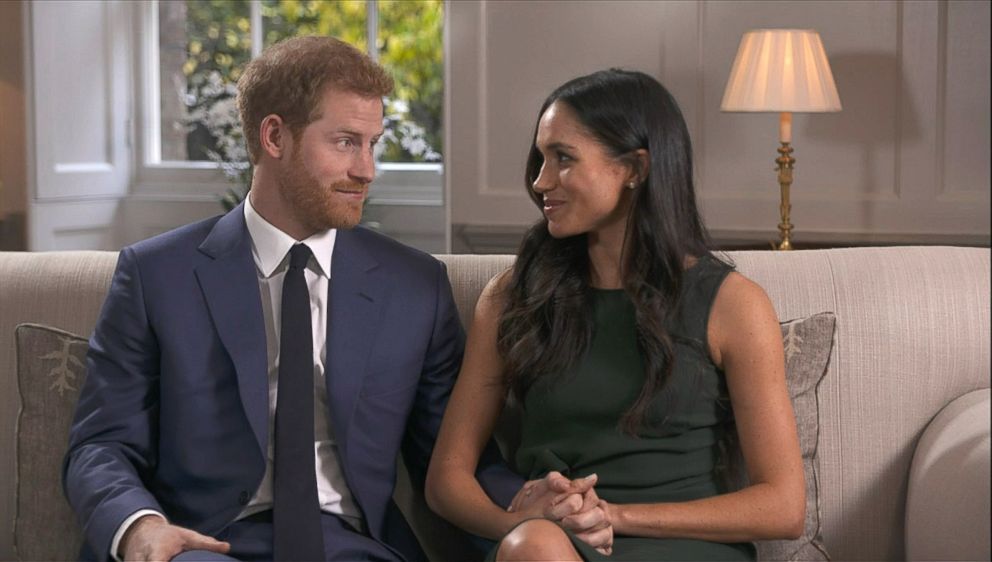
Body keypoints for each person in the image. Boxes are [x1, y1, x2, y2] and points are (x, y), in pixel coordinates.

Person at [63, 36, 542, 562]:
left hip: (354, 548)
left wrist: (529, 504)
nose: (366, 170)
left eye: (372, 144)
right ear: (274, 136)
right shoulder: (157, 275)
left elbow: (453, 456)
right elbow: (101, 444)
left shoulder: (415, 288)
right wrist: (141, 528)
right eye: (344, 142)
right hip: (202, 545)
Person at [425, 68, 807, 561]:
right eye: (540, 158)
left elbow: (783, 505)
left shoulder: (733, 304)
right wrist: (517, 524)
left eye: (563, 158)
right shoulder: (511, 298)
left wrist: (614, 516)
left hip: (686, 548)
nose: (541, 181)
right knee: (534, 548)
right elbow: (446, 479)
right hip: (552, 547)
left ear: (635, 168)